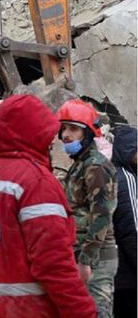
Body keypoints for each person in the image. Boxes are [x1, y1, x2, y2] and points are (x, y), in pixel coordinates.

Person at [0, 94, 97, 317]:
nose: (54, 140)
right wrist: (84, 312)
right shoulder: (36, 182)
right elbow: (52, 264)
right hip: (34, 309)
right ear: (35, 133)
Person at [57, 99, 118, 315]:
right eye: (64, 128)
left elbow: (102, 215)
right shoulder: (80, 164)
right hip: (81, 253)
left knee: (97, 312)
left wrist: (86, 261)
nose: (66, 135)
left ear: (88, 134)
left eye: (73, 129)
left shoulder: (96, 166)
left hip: (95, 258)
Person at [111, 126, 137, 318]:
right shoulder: (126, 179)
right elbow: (132, 229)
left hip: (115, 275)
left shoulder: (111, 174)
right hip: (127, 275)